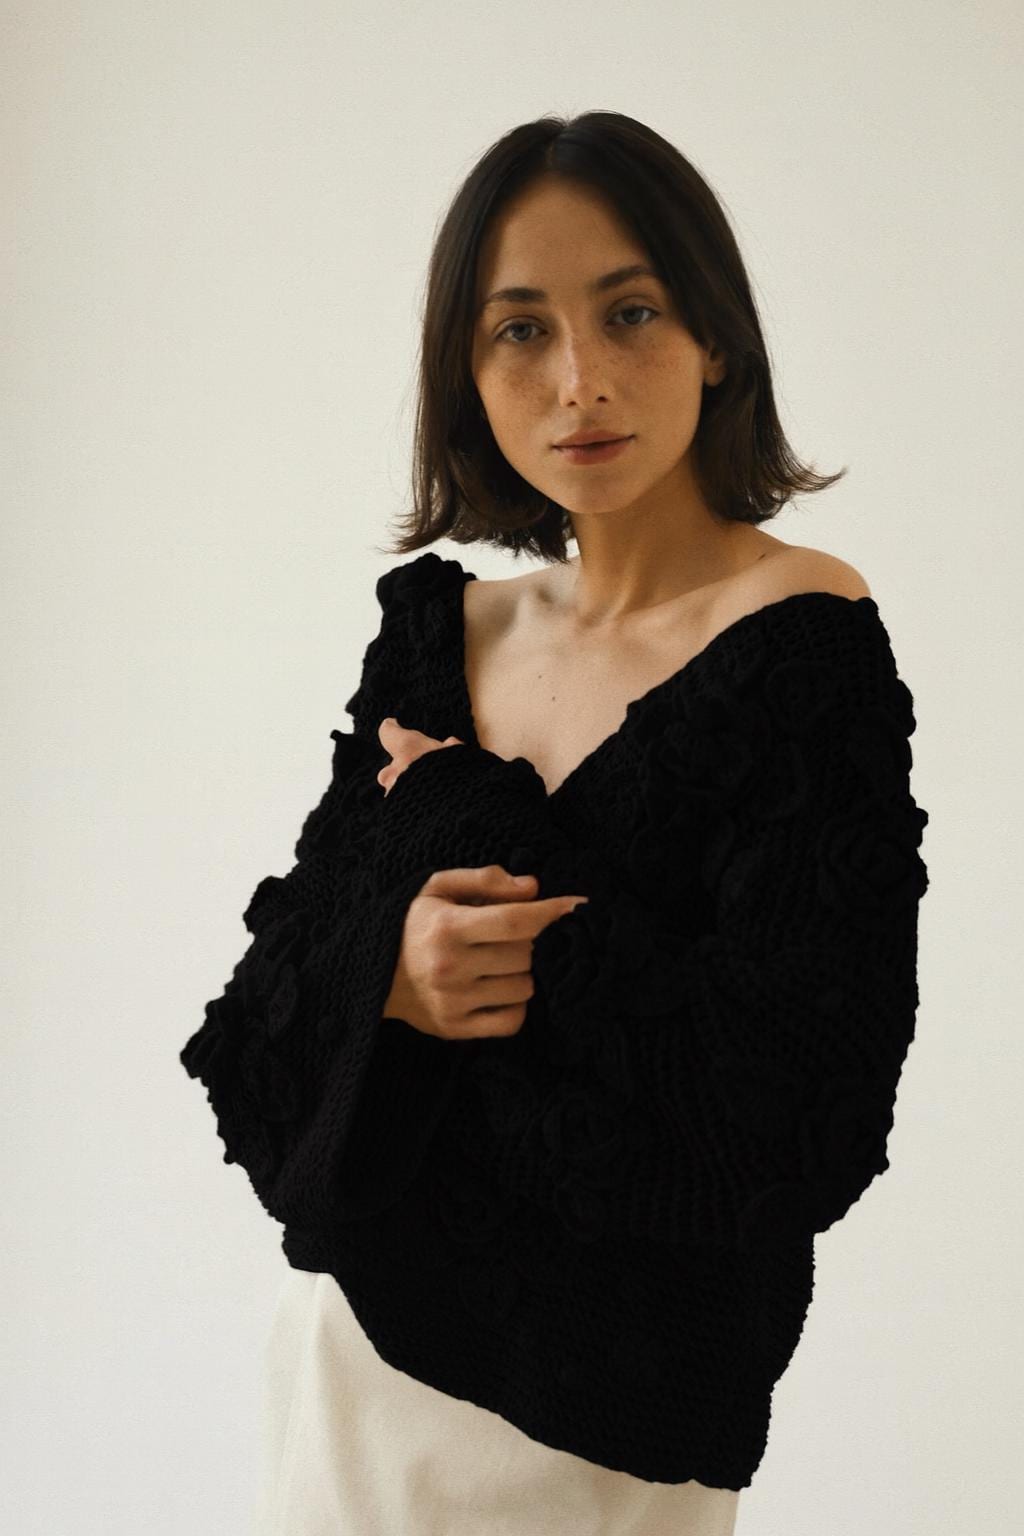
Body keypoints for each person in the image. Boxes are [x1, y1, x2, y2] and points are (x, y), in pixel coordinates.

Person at [181, 111, 928, 1536]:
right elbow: (252, 1044)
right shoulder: (439, 636)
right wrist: (396, 977)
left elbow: (798, 1109)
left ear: (716, 337)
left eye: (629, 312)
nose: (579, 380)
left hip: (614, 1433)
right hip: (351, 1379)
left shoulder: (802, 640)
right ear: (467, 375)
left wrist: (461, 818)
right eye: (520, 331)